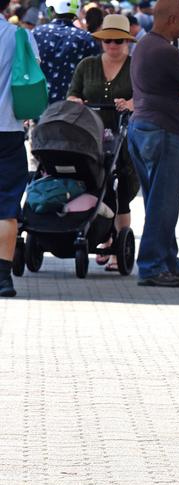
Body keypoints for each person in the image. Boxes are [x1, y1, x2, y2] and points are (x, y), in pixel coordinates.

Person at [128, 0, 179, 287]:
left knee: (157, 202)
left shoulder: (143, 46)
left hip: (143, 128)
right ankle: (151, 266)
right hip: (166, 132)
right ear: (173, 18)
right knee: (164, 204)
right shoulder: (167, 51)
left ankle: (168, 260)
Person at [67, 14, 140, 272]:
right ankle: (99, 233)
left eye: (118, 40)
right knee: (91, 183)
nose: (112, 45)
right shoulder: (87, 65)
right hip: (91, 138)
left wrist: (132, 104)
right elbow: (73, 92)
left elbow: (147, 96)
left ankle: (118, 249)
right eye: (107, 40)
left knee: (122, 192)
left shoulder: (135, 66)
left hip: (124, 137)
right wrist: (75, 101)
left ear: (126, 41)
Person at [0, 0, 40, 297]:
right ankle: (3, 278)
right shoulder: (19, 36)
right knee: (6, 208)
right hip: (10, 129)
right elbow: (35, 71)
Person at [33, 0, 101, 103]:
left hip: (38, 106)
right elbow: (95, 77)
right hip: (72, 109)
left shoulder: (36, 33)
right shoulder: (87, 39)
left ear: (52, 10)